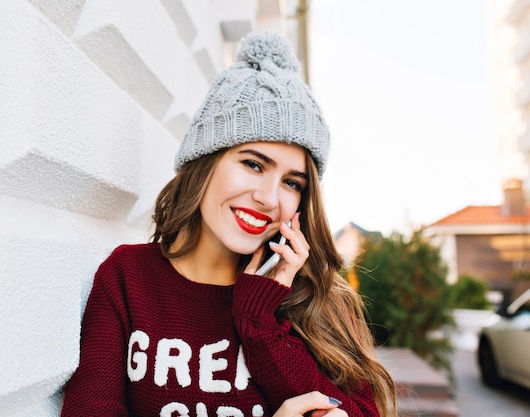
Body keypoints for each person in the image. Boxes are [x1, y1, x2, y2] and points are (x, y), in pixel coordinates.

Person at [61, 31, 396, 417]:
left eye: (291, 182)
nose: (270, 198)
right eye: (253, 164)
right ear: (205, 162)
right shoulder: (127, 279)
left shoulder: (317, 299)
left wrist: (259, 321)